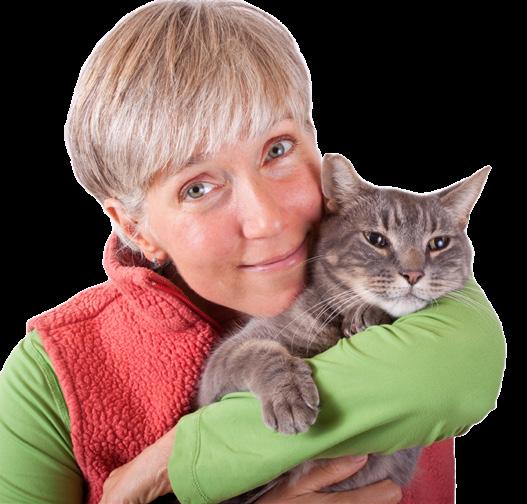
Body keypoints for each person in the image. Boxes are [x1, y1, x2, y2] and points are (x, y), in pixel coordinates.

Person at [0, 1, 505, 503]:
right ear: (135, 227)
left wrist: (166, 465)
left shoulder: (393, 264)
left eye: (277, 149)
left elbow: (454, 372)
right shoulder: (49, 374)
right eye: (197, 188)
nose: (267, 220)